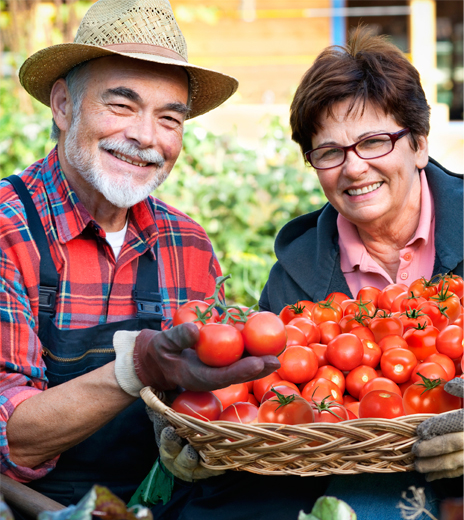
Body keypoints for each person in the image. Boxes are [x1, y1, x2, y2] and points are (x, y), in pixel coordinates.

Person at [0, 0, 280, 512]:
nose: (146, 137)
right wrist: (138, 366)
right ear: (63, 106)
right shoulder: (9, 230)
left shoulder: (185, 243)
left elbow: (212, 402)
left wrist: (206, 437)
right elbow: (13, 440)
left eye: (169, 118)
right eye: (122, 105)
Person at [259, 27, 463, 519]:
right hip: (351, 487)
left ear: (417, 145)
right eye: (330, 152)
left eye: (374, 141)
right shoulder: (293, 277)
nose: (353, 169)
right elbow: (265, 399)